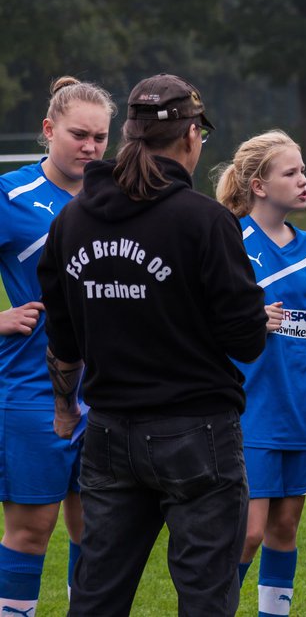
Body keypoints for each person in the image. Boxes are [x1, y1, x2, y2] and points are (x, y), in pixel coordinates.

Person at [37, 73, 271, 616]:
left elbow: (64, 339)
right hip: (197, 432)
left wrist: (63, 406)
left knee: (97, 594)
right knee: (205, 595)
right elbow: (247, 341)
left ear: (127, 136)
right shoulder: (205, 221)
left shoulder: (71, 221)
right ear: (191, 136)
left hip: (109, 430)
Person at [214, 130, 306, 615]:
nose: (304, 180)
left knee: (284, 528)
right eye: (291, 172)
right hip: (251, 410)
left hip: (303, 412)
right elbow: (194, 317)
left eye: (303, 170)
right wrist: (248, 318)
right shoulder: (229, 241)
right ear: (258, 185)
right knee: (249, 532)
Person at [0, 77, 112, 613]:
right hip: (31, 390)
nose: (90, 148)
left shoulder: (116, 200)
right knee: (30, 530)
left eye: (100, 137)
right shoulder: (11, 196)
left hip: (112, 393)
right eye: (78, 135)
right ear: (48, 130)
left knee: (99, 534)